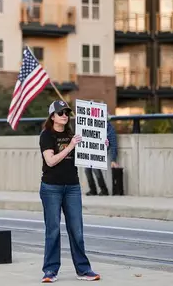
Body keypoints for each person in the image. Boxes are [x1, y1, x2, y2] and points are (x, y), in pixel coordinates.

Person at [39, 100, 101, 283]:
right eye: (60, 113)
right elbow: (50, 161)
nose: (64, 115)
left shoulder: (72, 134)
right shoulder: (46, 135)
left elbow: (88, 153)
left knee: (77, 230)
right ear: (52, 117)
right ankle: (50, 270)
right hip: (51, 188)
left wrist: (99, 143)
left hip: (72, 187)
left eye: (66, 112)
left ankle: (83, 270)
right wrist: (71, 146)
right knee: (53, 230)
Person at [85, 117, 118, 196]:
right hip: (91, 149)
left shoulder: (109, 127)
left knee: (95, 168)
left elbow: (113, 143)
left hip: (101, 150)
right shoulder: (92, 125)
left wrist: (113, 160)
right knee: (87, 169)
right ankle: (93, 190)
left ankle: (104, 190)